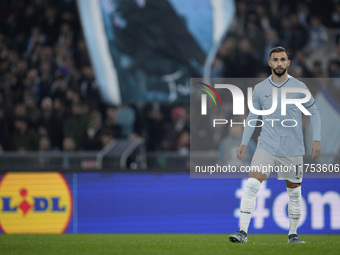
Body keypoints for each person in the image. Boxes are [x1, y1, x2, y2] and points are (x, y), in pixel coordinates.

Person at [229, 46, 321, 244]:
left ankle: (293, 235)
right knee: (252, 185)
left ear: (288, 63)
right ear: (269, 63)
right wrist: (244, 142)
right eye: (275, 60)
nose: (279, 63)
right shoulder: (261, 89)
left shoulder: (299, 87)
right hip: (266, 145)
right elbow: (253, 116)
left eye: (282, 59)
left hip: (293, 148)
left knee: (294, 193)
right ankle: (242, 232)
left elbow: (315, 112)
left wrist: (317, 139)